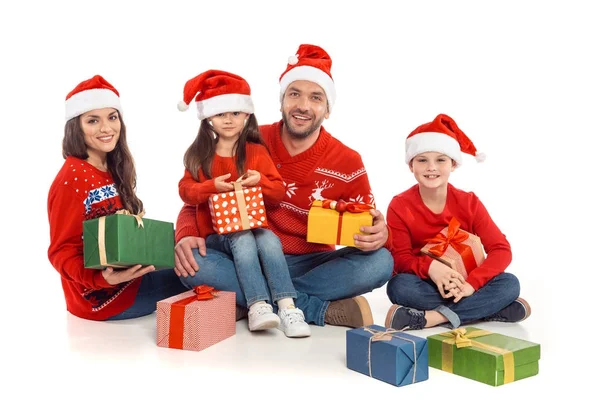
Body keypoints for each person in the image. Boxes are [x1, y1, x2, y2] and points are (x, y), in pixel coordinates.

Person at [173, 44, 393, 329]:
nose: (302, 105)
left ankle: (253, 300)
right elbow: (197, 194)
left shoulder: (347, 160)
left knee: (380, 263)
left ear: (328, 110)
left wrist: (380, 233)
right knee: (193, 262)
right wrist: (186, 234)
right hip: (246, 255)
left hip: (313, 263)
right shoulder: (248, 141)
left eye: (316, 97)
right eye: (294, 94)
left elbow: (365, 222)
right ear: (281, 101)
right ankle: (313, 308)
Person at [176, 70, 311, 337]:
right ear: (208, 118)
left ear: (247, 115)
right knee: (242, 239)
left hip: (253, 227)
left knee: (269, 239)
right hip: (217, 237)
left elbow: (278, 193)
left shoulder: (256, 152)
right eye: (220, 114)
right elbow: (186, 192)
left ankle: (287, 306)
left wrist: (260, 181)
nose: (228, 120)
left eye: (235, 113)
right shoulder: (199, 154)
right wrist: (210, 187)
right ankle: (257, 305)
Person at [47, 75, 187, 321]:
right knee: (202, 269)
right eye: (93, 120)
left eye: (112, 117)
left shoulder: (111, 166)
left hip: (130, 274)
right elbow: (61, 251)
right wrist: (100, 279)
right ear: (76, 127)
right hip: (107, 297)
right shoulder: (73, 179)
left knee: (196, 250)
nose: (106, 128)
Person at [384, 113, 531, 331]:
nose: (431, 167)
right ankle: (489, 310)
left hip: (467, 282)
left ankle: (433, 318)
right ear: (410, 166)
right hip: (427, 283)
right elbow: (400, 258)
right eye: (422, 160)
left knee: (509, 283)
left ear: (453, 164)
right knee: (399, 287)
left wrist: (472, 285)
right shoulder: (399, 205)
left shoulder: (469, 202)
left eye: (441, 160)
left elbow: (501, 249)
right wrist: (432, 268)